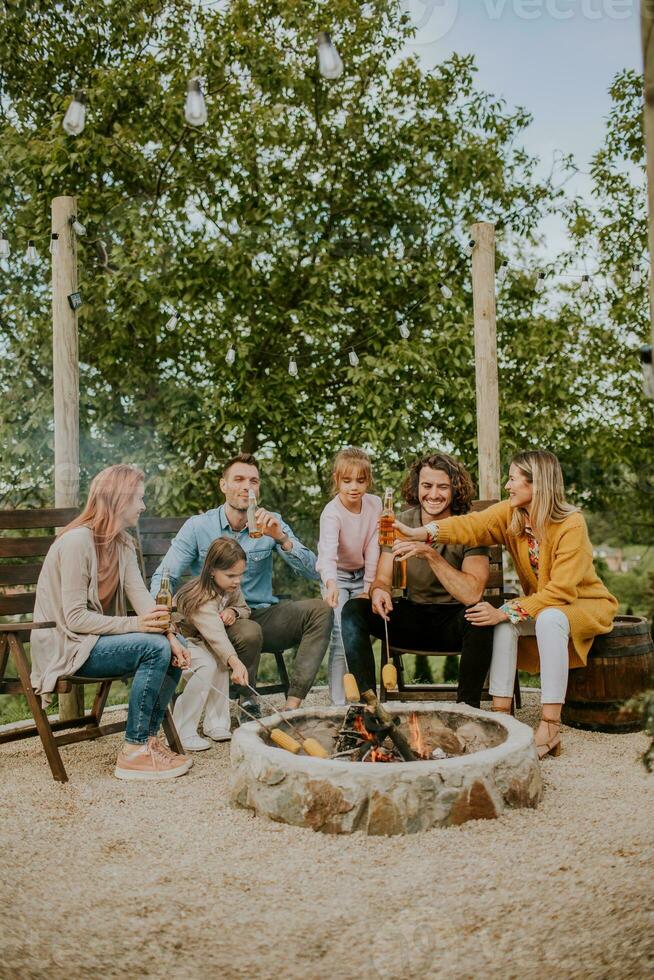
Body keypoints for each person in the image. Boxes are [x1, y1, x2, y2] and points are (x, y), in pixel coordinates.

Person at [393, 450, 618, 758]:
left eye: (513, 478)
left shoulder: (571, 524)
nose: (508, 485)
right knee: (501, 623)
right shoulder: (512, 515)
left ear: (537, 484)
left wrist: (504, 610)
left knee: (545, 617)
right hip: (544, 603)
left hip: (583, 603)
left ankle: (551, 725)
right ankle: (502, 717)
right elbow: (469, 525)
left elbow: (561, 592)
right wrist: (421, 532)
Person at [30, 464, 193, 781]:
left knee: (173, 646)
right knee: (151, 647)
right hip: (69, 647)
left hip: (95, 643)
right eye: (139, 499)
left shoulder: (123, 544)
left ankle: (147, 741)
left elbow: (143, 600)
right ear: (119, 499)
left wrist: (171, 635)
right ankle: (133, 750)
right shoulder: (77, 542)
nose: (143, 506)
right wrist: (140, 627)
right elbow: (75, 619)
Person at [150, 453, 333, 713]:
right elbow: (165, 576)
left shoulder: (271, 522)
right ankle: (247, 699)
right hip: (215, 620)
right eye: (238, 479)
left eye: (254, 480)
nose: (247, 486)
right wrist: (161, 618)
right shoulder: (199, 527)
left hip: (260, 614)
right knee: (248, 630)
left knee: (321, 610)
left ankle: (292, 706)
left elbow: (313, 572)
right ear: (223, 485)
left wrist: (282, 538)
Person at [341, 452, 494, 708]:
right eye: (427, 486)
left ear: (455, 489)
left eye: (442, 487)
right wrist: (379, 592)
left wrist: (430, 554)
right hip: (410, 618)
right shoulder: (401, 521)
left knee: (480, 616)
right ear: (417, 487)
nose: (433, 494)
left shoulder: (471, 526)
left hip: (453, 622)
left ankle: (467, 710)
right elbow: (382, 579)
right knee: (353, 609)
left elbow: (472, 594)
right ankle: (368, 708)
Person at [316, 448, 382, 705]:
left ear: (368, 480)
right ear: (337, 480)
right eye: (347, 480)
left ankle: (365, 697)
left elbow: (374, 547)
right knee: (340, 635)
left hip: (365, 574)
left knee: (359, 635)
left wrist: (368, 587)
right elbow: (328, 553)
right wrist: (330, 583)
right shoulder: (332, 513)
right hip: (339, 577)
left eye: (360, 480)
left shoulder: (374, 504)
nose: (354, 487)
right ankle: (338, 702)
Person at [172, 538, 252, 751]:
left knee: (218, 660)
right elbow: (216, 635)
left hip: (202, 640)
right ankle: (183, 728)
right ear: (212, 571)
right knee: (206, 665)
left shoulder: (231, 588)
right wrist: (236, 662)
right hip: (179, 641)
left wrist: (233, 611)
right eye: (231, 575)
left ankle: (216, 723)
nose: (237, 581)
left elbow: (245, 608)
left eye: (240, 575)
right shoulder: (200, 596)